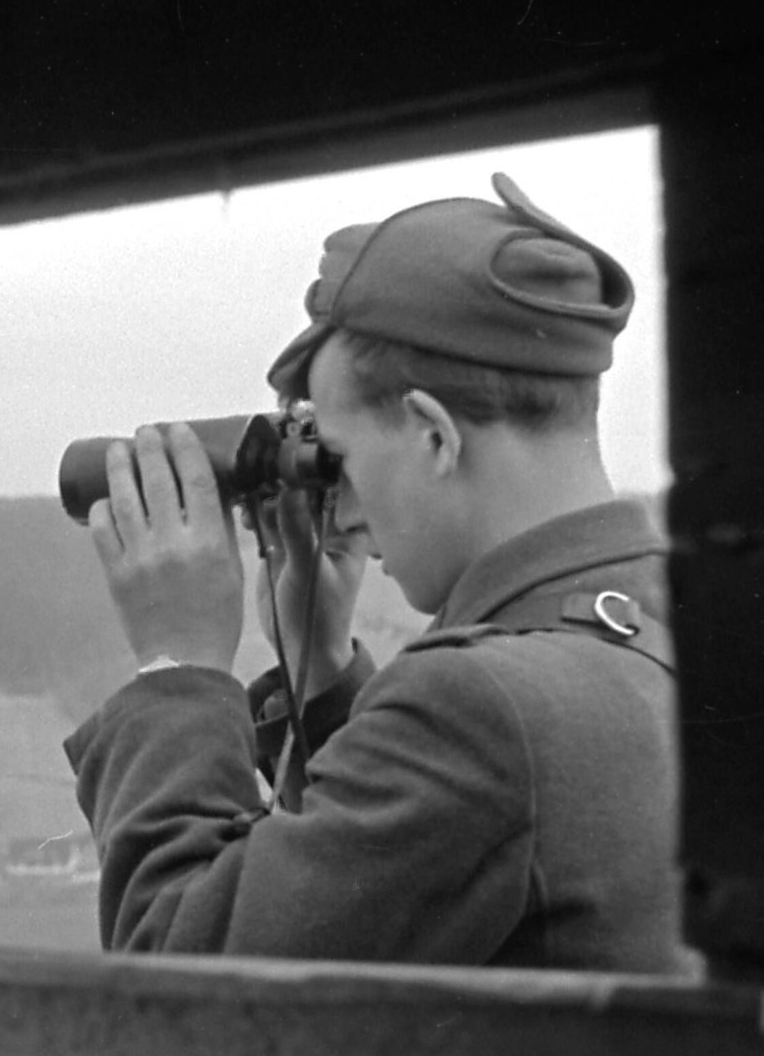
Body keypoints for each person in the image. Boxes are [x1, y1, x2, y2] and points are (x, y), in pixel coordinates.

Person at [65, 174, 695, 974]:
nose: (344, 506)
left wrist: (178, 663)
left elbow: (181, 972)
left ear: (434, 436)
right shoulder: (661, 625)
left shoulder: (483, 710)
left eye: (343, 458)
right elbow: (449, 864)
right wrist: (322, 675)